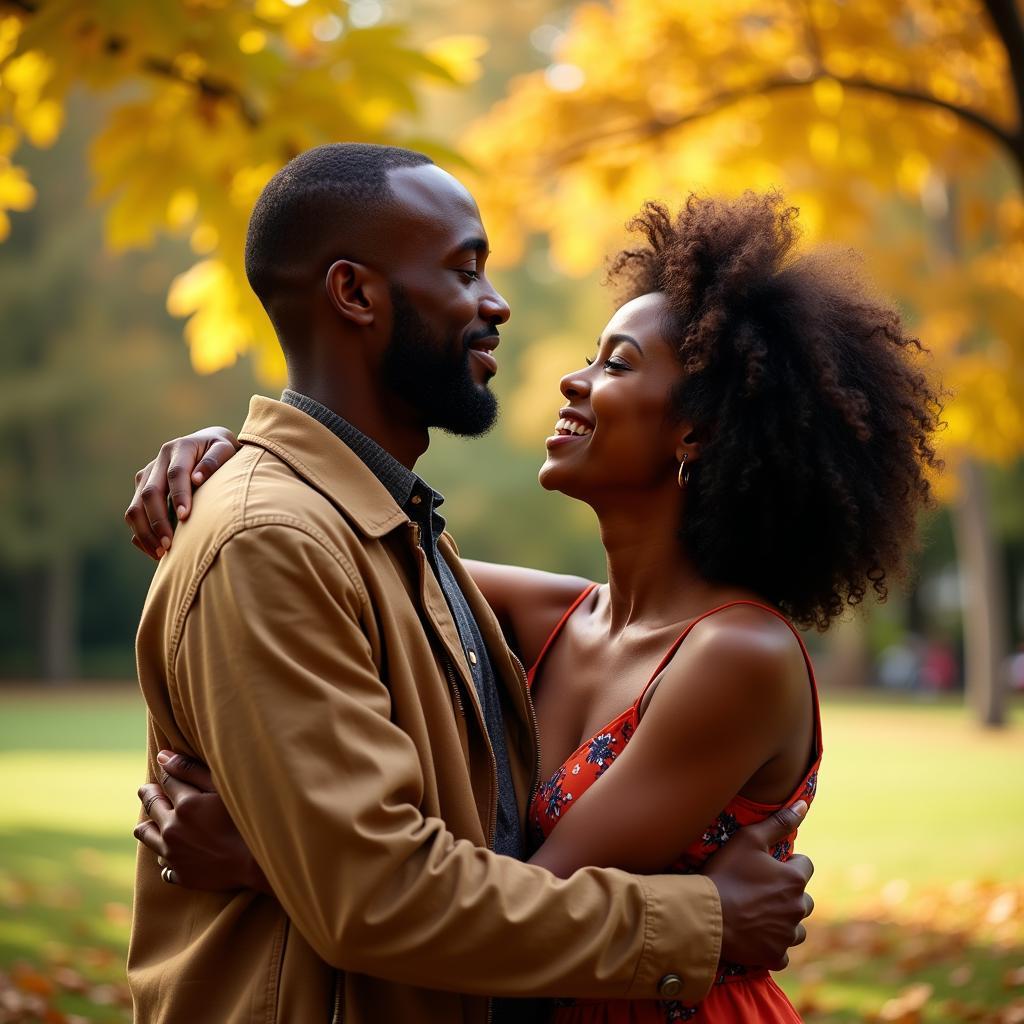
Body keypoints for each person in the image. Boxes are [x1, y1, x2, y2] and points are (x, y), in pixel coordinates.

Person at [125, 144, 815, 1024]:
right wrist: (231, 459)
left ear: (698, 432)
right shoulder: (309, 540)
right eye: (464, 270)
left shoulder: (413, 555)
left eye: (617, 363)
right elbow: (374, 894)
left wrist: (278, 855)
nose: (500, 306)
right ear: (356, 294)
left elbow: (393, 894)